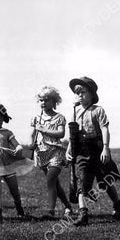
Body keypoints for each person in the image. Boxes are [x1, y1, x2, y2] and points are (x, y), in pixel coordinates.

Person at [66, 76, 120, 226]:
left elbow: (105, 128)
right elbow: (73, 135)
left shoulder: (98, 110)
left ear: (91, 94)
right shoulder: (75, 112)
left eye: (83, 92)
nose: (80, 95)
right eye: (77, 92)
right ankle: (83, 213)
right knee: (81, 180)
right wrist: (69, 149)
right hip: (81, 151)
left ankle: (117, 205)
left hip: (97, 148)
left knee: (106, 179)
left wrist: (106, 148)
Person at [30, 86, 73, 218]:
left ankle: (51, 211)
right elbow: (34, 133)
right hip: (42, 152)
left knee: (50, 180)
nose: (43, 103)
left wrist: (44, 130)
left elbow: (61, 133)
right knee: (55, 183)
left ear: (54, 102)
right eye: (41, 100)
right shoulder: (36, 118)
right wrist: (32, 143)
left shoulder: (59, 117)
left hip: (55, 151)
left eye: (47, 100)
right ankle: (67, 206)